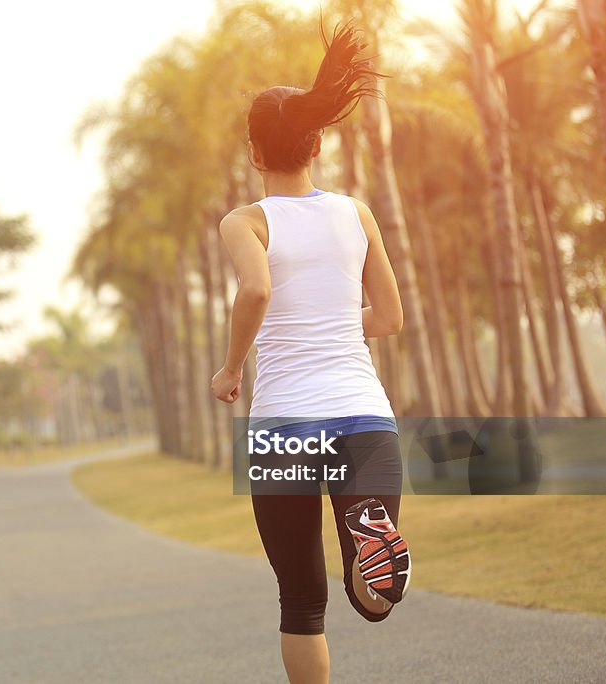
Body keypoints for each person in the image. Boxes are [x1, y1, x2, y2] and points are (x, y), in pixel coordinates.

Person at [210, 22, 411, 684]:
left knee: (301, 602)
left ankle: (363, 545)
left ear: (252, 152)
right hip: (364, 420)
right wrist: (330, 319)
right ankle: (366, 537)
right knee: (372, 599)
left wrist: (232, 366)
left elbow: (257, 290)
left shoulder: (246, 221)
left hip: (286, 428)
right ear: (317, 143)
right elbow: (388, 318)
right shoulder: (356, 214)